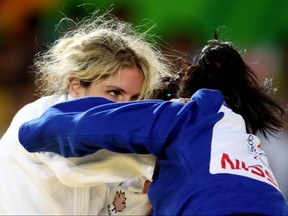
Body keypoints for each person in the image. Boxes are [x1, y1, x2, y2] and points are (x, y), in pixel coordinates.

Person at [19, 38, 288, 215]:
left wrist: (32, 130)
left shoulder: (184, 113)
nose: (126, 105)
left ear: (183, 96)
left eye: (136, 100)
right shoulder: (245, 143)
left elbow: (90, 126)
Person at [0, 10, 175, 215]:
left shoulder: (116, 151)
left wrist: (140, 189)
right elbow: (72, 170)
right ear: (76, 86)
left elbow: (113, 211)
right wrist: (154, 162)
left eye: (134, 99)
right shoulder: (37, 116)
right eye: (114, 92)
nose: (125, 107)